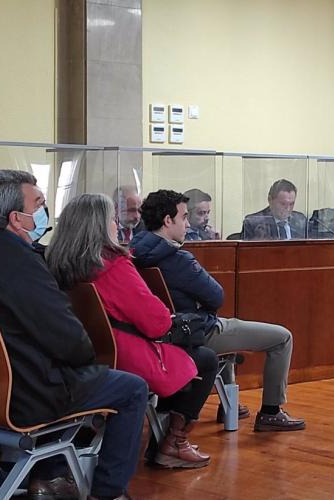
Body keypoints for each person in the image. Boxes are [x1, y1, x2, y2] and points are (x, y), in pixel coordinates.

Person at [0, 170, 148, 500]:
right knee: (132, 388)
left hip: (1, 386)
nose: (44, 211)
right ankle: (108, 492)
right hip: (25, 394)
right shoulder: (21, 262)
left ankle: (47, 474)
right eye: (38, 204)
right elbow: (68, 340)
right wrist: (87, 357)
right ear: (16, 218)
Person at [46, 193, 217, 470]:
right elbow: (157, 322)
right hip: (123, 354)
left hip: (85, 352)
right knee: (205, 359)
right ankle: (174, 442)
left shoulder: (56, 263)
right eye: (113, 219)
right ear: (100, 226)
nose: (117, 225)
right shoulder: (112, 265)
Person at [130, 190, 306, 432]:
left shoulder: (133, 252)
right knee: (282, 337)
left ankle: (229, 406)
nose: (187, 224)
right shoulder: (178, 259)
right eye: (184, 217)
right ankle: (271, 412)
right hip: (195, 331)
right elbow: (216, 296)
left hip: (162, 334)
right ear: (168, 221)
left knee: (226, 327)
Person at [242, 179, 307, 240]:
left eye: (291, 204)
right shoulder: (253, 224)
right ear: (270, 200)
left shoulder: (301, 221)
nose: (288, 208)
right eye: (283, 204)